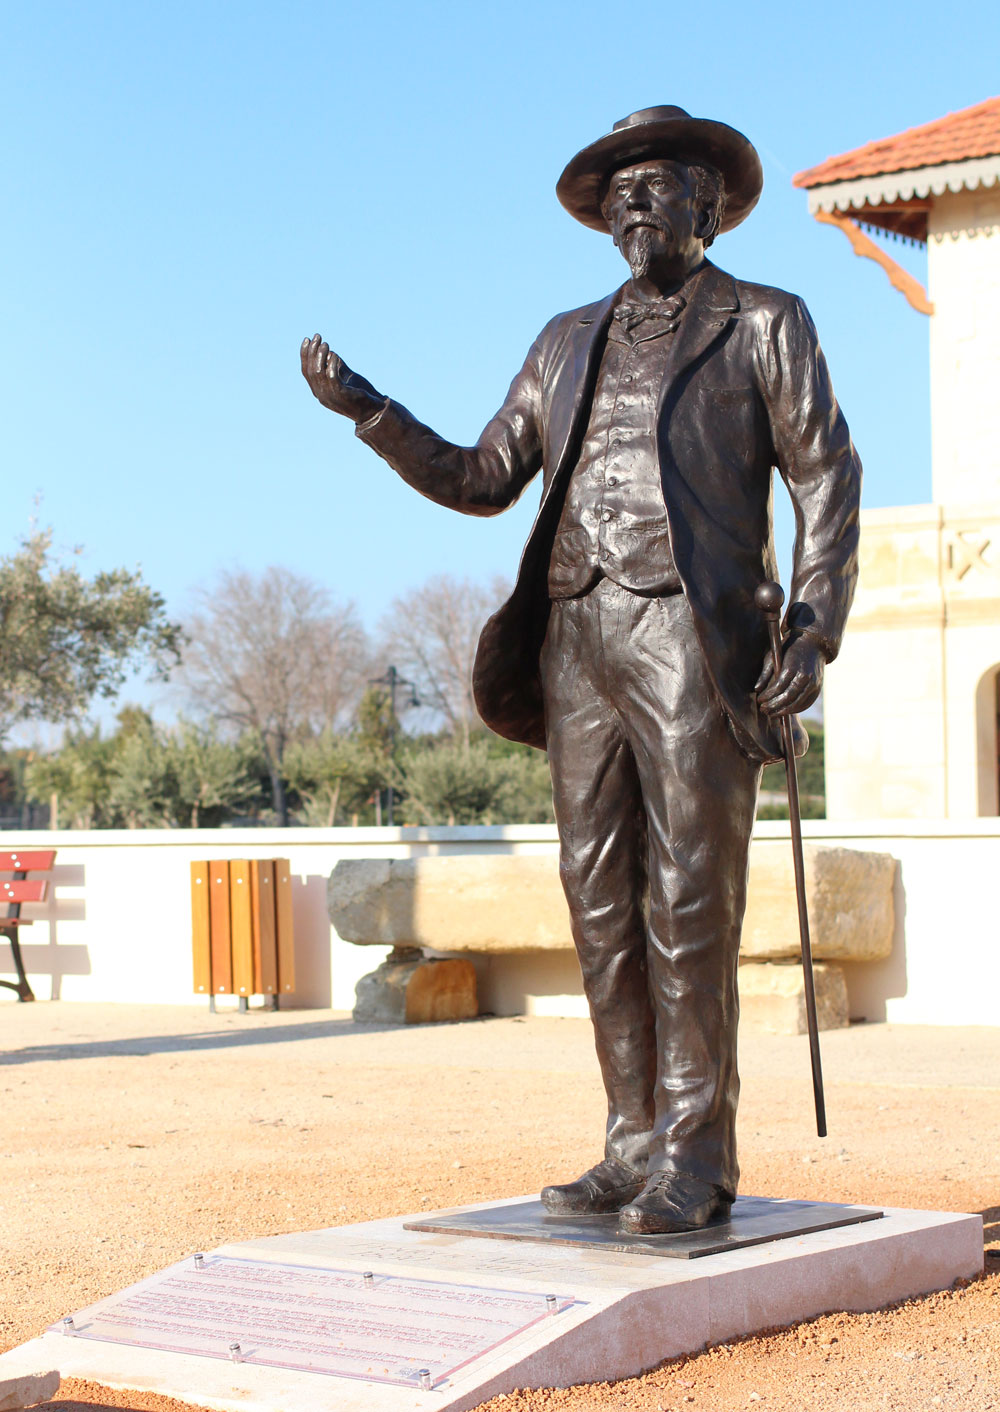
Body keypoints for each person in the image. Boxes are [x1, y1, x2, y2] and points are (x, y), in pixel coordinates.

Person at [301, 105, 861, 1235]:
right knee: (600, 899)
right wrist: (370, 412)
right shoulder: (562, 340)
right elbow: (480, 474)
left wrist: (811, 627)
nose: (634, 206)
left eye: (656, 187)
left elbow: (827, 476)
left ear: (709, 206)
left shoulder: (764, 322)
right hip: (574, 640)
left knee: (690, 900)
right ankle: (629, 1141)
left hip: (693, 642)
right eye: (618, 194)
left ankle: (695, 1155)